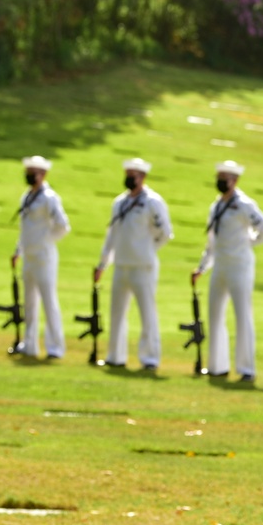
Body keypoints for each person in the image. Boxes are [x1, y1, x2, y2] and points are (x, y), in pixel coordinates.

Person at [192, 160, 263, 381]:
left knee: (242, 315)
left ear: (235, 180)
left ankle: (246, 368)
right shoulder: (216, 206)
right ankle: (217, 365)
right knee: (215, 315)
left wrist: (248, 243)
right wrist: (202, 267)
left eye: (225, 178)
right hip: (220, 265)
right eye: (219, 177)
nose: (220, 182)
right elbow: (212, 241)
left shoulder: (244, 205)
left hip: (240, 265)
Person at [95, 158, 173, 369]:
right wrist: (103, 263)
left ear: (143, 177)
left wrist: (148, 249)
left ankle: (150, 357)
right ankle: (115, 356)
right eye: (127, 174)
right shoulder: (120, 202)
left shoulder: (152, 202)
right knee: (117, 313)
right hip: (121, 264)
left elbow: (165, 233)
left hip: (143, 266)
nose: (130, 178)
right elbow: (112, 235)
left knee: (147, 313)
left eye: (134, 175)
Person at [11, 155, 71, 359]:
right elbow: (25, 228)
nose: (29, 176)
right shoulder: (27, 196)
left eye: (33, 173)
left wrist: (46, 240)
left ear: (43, 174)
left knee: (48, 301)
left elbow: (62, 225)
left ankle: (55, 347)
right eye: (27, 173)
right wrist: (18, 250)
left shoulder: (49, 197)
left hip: (44, 256)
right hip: (28, 255)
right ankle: (30, 344)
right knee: (29, 302)